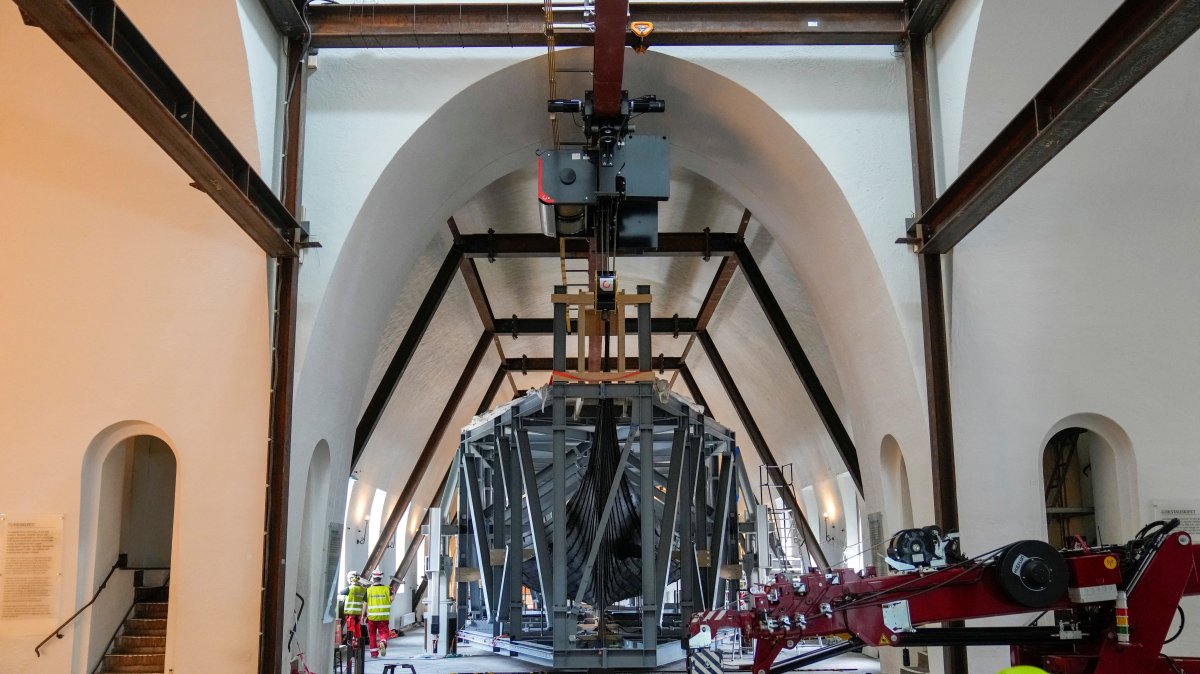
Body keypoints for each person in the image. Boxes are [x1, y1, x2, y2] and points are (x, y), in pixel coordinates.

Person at [365, 569, 394, 658]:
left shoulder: (368, 590)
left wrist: (363, 616)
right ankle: (383, 642)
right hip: (383, 616)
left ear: (373, 578)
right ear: (381, 577)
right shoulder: (387, 589)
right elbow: (392, 599)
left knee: (372, 635)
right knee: (384, 632)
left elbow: (364, 604)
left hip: (372, 617)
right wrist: (393, 593)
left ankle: (374, 654)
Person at [342, 572, 366, 650]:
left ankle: (352, 644)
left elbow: (340, 592)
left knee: (351, 629)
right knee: (357, 628)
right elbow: (365, 600)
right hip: (358, 613)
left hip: (350, 613)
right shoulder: (363, 589)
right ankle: (358, 643)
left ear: (351, 579)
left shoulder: (349, 589)